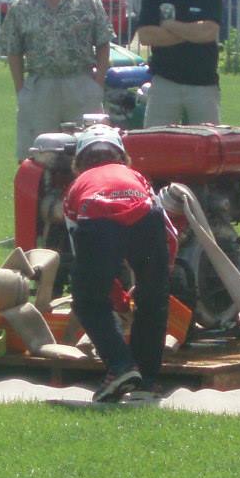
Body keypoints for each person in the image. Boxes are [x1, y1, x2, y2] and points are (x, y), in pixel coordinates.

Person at [64, 125, 176, 402]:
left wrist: (118, 298)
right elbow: (169, 232)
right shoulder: (137, 176)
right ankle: (146, 381)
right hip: (146, 217)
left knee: (88, 302)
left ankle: (120, 366)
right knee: (153, 302)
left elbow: (84, 260)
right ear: (122, 156)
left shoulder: (76, 187)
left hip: (96, 219)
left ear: (79, 160)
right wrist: (158, 276)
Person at [0, 0, 113, 160]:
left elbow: (103, 42)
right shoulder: (23, 6)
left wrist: (97, 84)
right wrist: (21, 90)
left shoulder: (88, 1)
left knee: (88, 150)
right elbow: (13, 50)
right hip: (41, 85)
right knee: (38, 153)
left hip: (80, 83)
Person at [136, 0, 222, 127]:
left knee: (208, 141)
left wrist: (170, 26)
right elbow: (146, 36)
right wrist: (192, 32)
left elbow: (209, 32)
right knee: (156, 138)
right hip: (164, 82)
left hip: (203, 83)